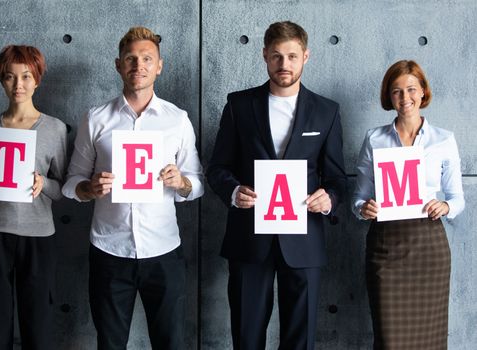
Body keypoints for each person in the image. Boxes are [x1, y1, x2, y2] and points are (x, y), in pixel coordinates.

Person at [207, 21, 347, 350]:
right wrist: (232, 191)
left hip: (304, 241)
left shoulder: (326, 111)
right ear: (265, 57)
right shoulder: (239, 105)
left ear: (306, 57)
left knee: (300, 341)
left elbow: (338, 178)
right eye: (277, 56)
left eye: (292, 56)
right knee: (247, 337)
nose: (284, 64)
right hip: (249, 239)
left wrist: (328, 199)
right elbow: (218, 167)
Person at [62, 26, 203, 350]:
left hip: (164, 252)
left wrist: (181, 182)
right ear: (118, 64)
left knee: (170, 343)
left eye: (146, 59)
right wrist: (88, 188)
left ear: (159, 65)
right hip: (109, 252)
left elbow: (196, 184)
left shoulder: (177, 119)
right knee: (110, 344)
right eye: (131, 58)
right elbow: (72, 182)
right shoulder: (95, 119)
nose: (138, 65)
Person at [351, 60, 465, 349]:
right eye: (397, 91)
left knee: (430, 341)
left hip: (429, 247)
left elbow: (457, 199)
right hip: (386, 246)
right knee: (389, 340)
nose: (405, 98)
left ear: (423, 92)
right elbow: (358, 198)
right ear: (389, 97)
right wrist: (364, 208)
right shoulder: (374, 139)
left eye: (411, 89)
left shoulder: (444, 140)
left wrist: (446, 207)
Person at [0, 45, 67, 350]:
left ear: (37, 79)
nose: (18, 85)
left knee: (38, 326)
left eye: (26, 76)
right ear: (1, 80)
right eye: (10, 77)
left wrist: (42, 184)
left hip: (37, 237)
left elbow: (61, 187)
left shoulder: (55, 128)